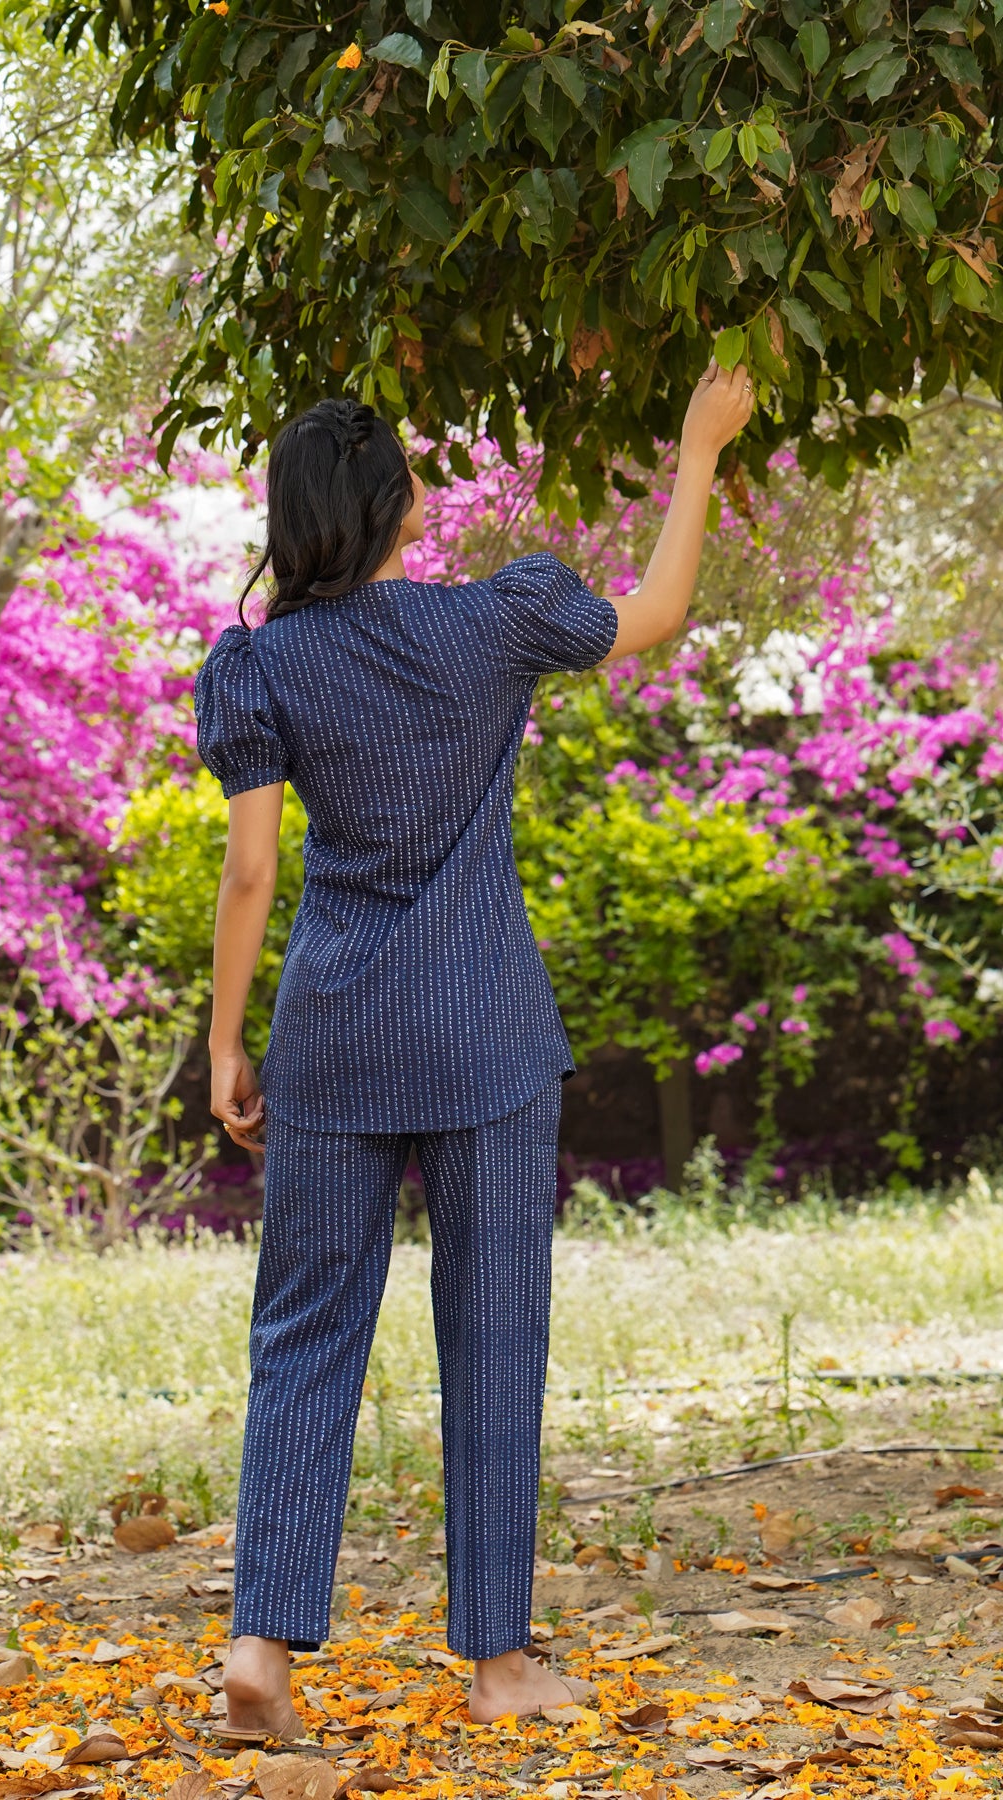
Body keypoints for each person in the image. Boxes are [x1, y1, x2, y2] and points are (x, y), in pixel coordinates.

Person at [193, 361, 755, 1735]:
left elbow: (254, 871)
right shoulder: (490, 628)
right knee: (494, 1332)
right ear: (396, 506)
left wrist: (223, 1045)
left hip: (333, 1037)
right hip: (489, 1034)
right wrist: (696, 450)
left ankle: (262, 1646)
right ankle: (500, 1665)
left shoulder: (261, 664)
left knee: (306, 1332)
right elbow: (664, 612)